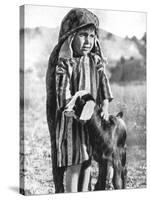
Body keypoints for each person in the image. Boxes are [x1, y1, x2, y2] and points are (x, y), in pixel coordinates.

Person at [46, 8, 113, 193]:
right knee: (74, 163)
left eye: (92, 36)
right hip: (71, 122)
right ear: (70, 37)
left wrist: (105, 105)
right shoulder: (65, 63)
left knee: (87, 162)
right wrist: (75, 107)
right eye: (83, 35)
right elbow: (62, 92)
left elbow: (103, 85)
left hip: (91, 122)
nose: (88, 41)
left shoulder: (95, 61)